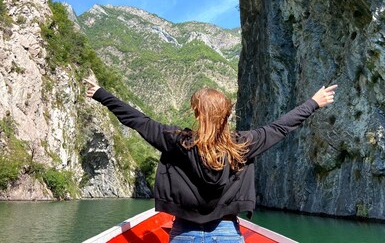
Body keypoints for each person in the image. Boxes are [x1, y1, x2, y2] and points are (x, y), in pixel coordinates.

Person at [84, 78, 337, 243]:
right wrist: (313, 103)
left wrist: (101, 94)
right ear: (227, 115)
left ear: (196, 112)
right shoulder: (242, 145)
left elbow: (137, 120)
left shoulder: (177, 141)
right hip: (227, 232)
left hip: (184, 232)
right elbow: (280, 127)